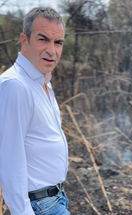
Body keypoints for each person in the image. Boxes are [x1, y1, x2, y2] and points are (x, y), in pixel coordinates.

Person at [0, 7, 70, 215]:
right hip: (38, 207)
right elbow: (9, 159)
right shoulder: (15, 86)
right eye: (43, 39)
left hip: (53, 199)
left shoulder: (43, 82)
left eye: (58, 42)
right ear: (24, 40)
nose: (52, 50)